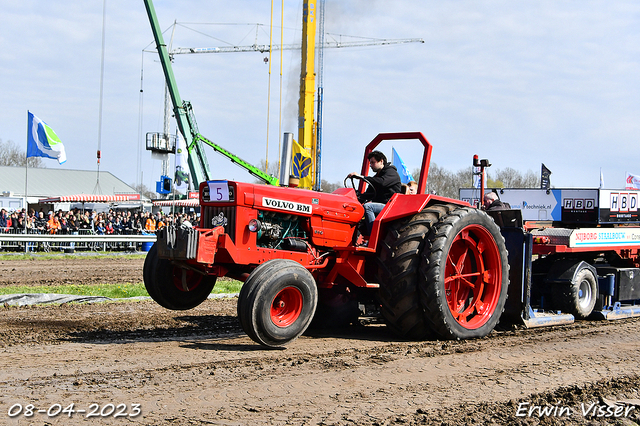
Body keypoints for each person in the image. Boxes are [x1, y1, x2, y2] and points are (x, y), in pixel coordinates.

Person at [348, 150, 402, 235]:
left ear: (381, 161)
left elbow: (382, 182)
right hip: (380, 205)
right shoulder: (376, 177)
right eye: (370, 163)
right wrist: (353, 199)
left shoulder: (391, 173)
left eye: (373, 162)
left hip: (390, 206)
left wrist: (362, 177)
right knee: (357, 208)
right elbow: (368, 194)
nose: (371, 165)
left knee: (368, 207)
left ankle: (373, 235)